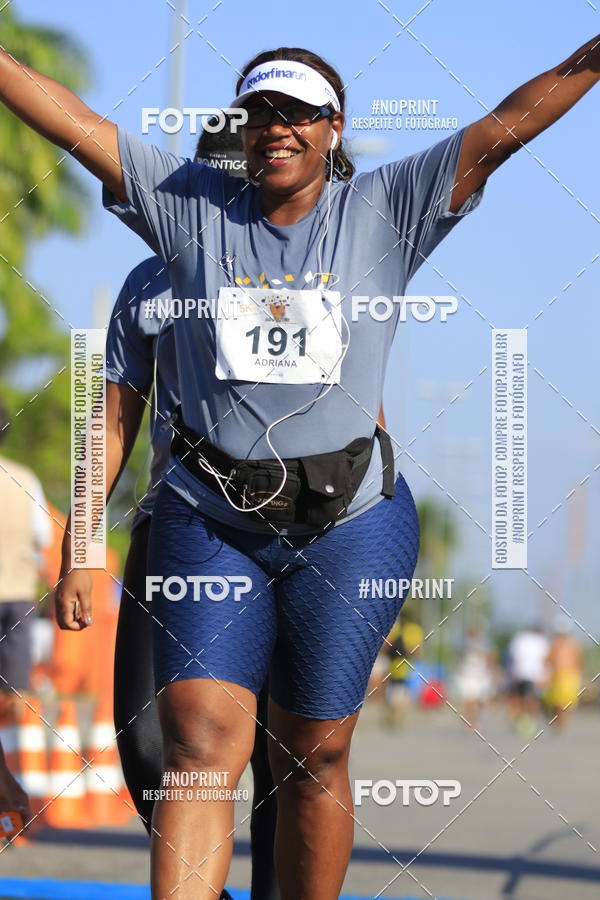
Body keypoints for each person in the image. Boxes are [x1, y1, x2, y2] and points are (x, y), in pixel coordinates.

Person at [2, 34, 599, 900]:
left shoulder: (388, 207)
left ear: (334, 128)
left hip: (349, 526)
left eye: (297, 113)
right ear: (238, 129)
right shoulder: (185, 209)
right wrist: (80, 542)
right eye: (258, 114)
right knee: (199, 746)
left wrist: (590, 63)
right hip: (208, 526)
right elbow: (76, 123)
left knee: (316, 753)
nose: (275, 129)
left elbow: (505, 128)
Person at [56, 123, 273, 900]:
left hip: (308, 542)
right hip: (179, 529)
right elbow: (109, 425)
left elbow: (364, 416)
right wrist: (82, 549)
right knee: (151, 751)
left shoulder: (321, 274)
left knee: (287, 759)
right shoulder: (151, 284)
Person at [0, 401, 51, 720]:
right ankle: (20, 754)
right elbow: (42, 537)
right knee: (17, 686)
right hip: (19, 595)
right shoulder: (25, 479)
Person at [506, 624, 550, 737]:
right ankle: (528, 721)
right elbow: (546, 660)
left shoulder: (520, 638)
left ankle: (521, 721)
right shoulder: (542, 641)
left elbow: (514, 656)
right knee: (532, 699)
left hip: (520, 674)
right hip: (534, 676)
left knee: (518, 699)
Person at [454, 624, 497, 730]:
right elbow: (460, 659)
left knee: (479, 700)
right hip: (467, 676)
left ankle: (476, 718)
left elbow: (491, 657)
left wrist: (492, 671)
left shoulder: (484, 645)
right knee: (469, 700)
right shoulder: (464, 645)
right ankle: (470, 721)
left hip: (480, 677)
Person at [543, 617, 583, 731]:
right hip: (569, 676)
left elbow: (548, 660)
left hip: (562, 676)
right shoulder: (574, 644)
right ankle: (562, 723)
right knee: (564, 703)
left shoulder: (556, 644)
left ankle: (561, 723)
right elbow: (579, 662)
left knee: (560, 702)